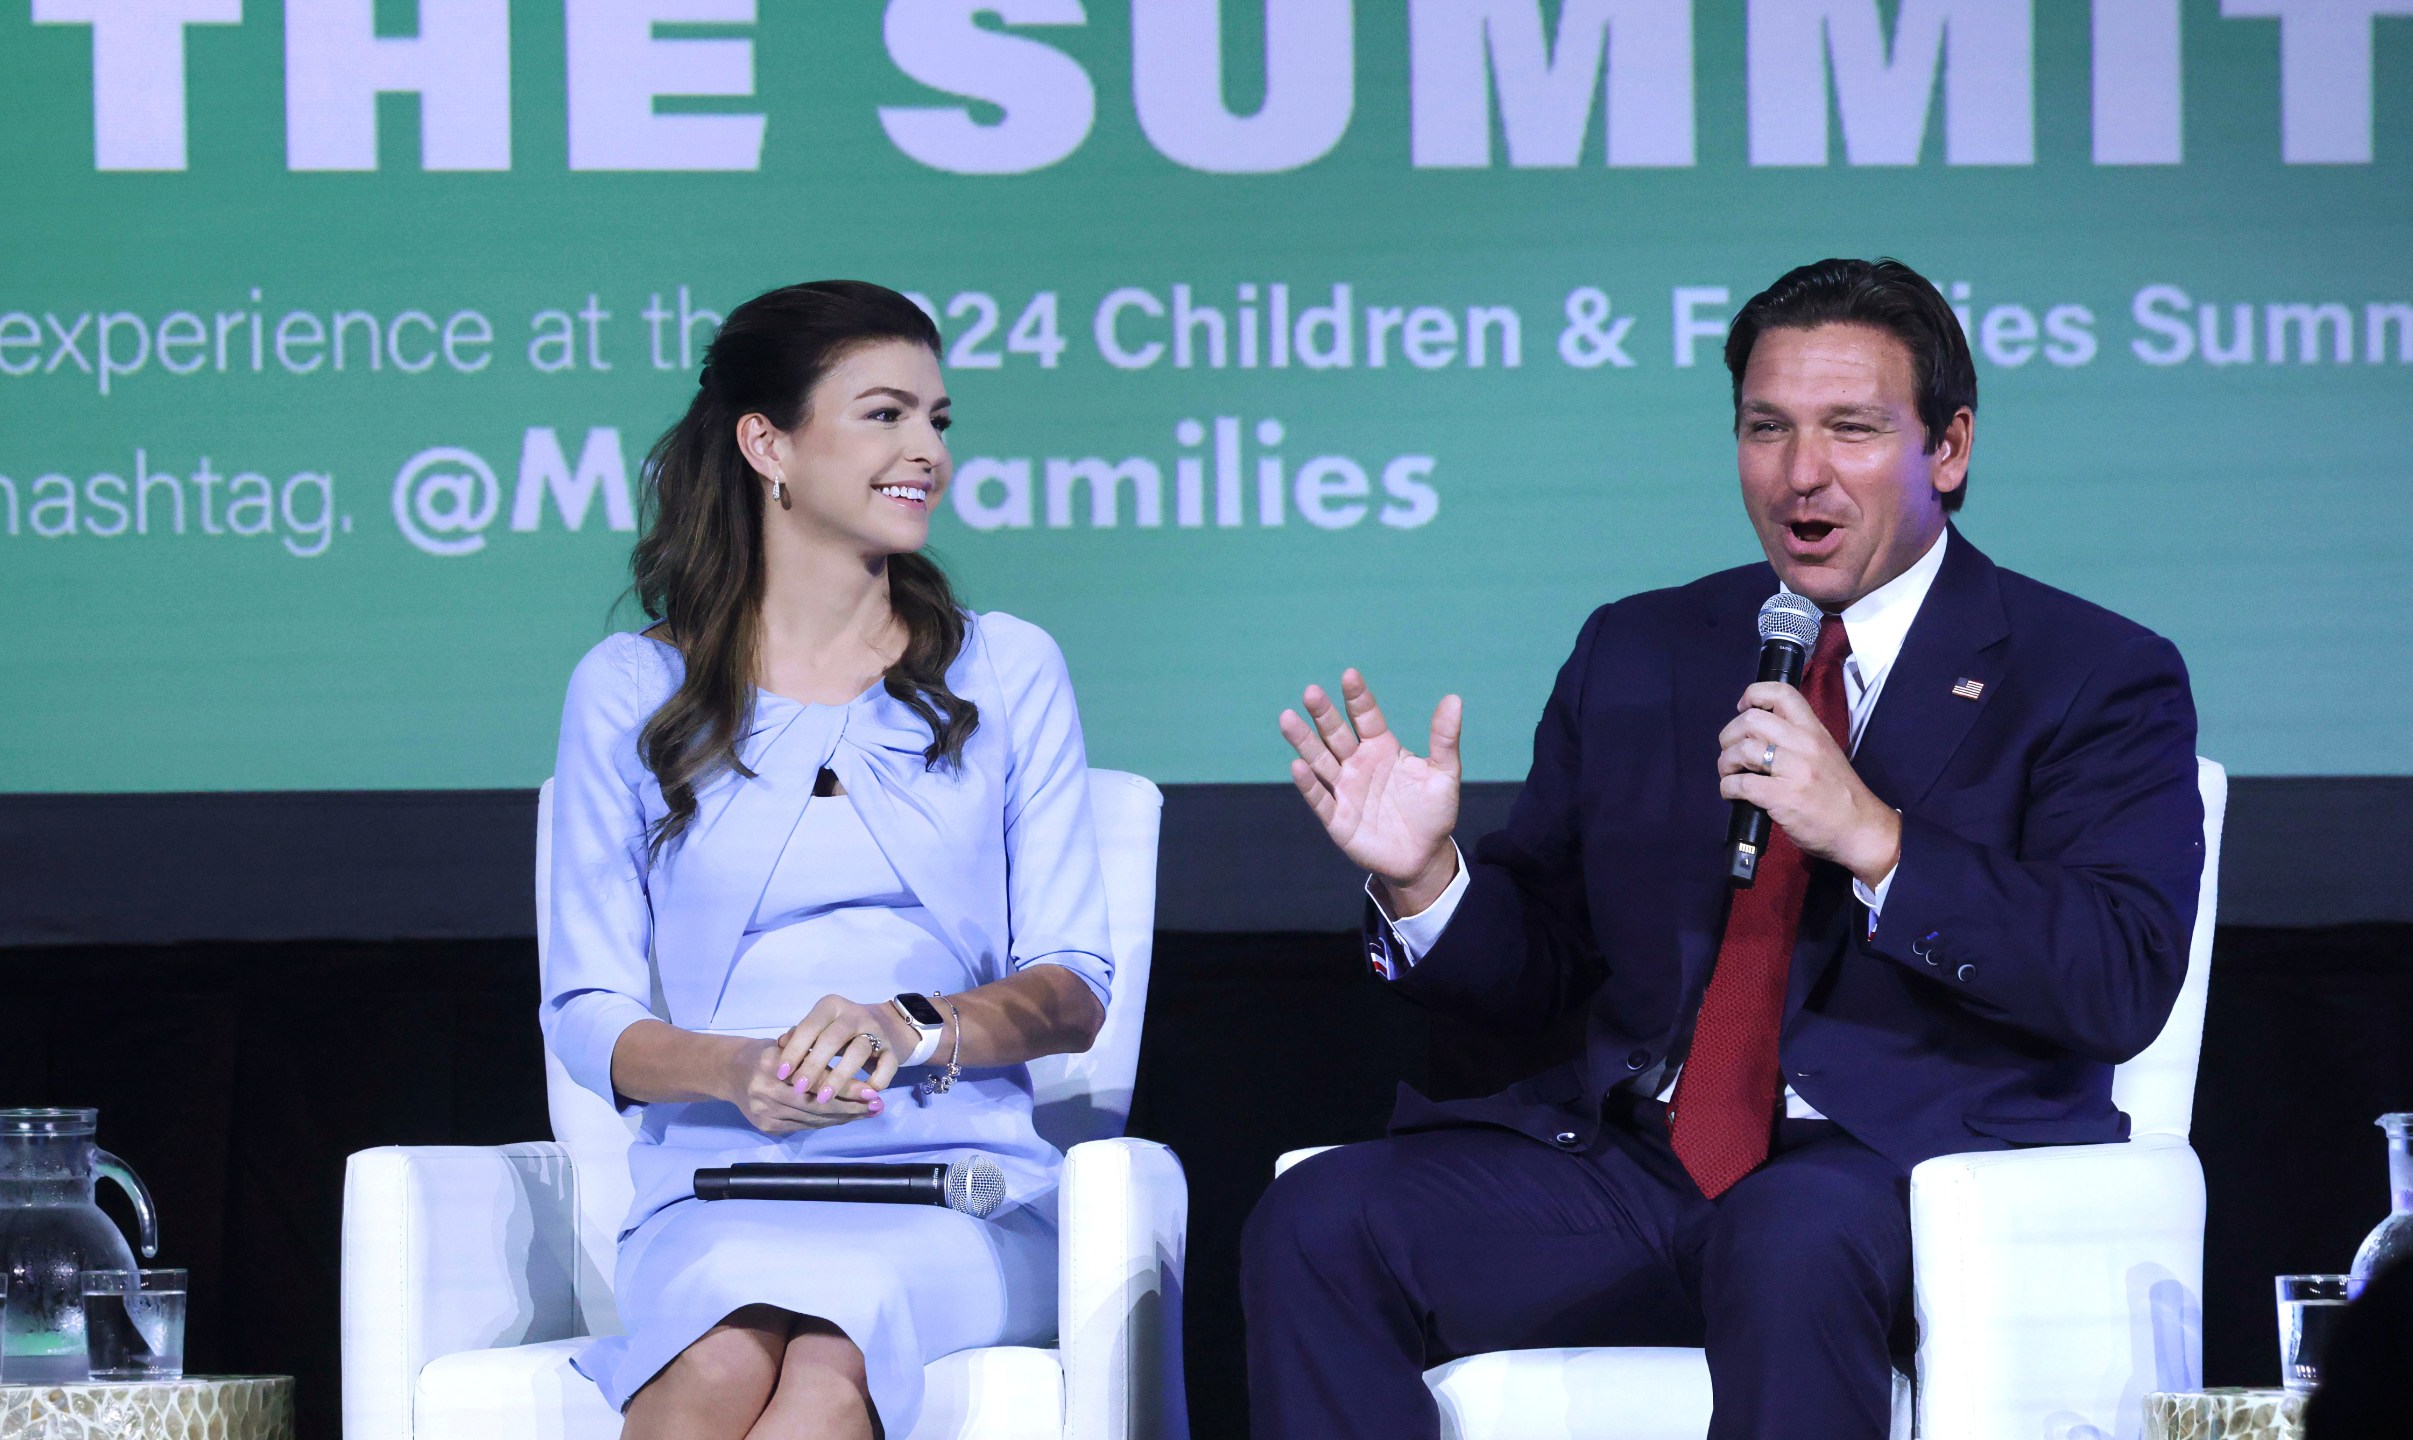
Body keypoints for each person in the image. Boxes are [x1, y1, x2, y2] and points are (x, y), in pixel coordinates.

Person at [1245, 257, 2206, 1440]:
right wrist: (1423, 881)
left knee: (1784, 1233)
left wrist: (1872, 836)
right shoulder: (1641, 650)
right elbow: (1538, 965)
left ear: (1947, 448)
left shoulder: (2089, 673)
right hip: (1640, 1169)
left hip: (1906, 1182)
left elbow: (2118, 977)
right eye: (1767, 429)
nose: (1801, 474)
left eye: (1851, 429)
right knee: (1323, 1219)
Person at [540, 280, 1113, 1440]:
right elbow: (586, 1009)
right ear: (768, 444)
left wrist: (912, 1024)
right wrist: (735, 1070)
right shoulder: (631, 690)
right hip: (718, 1187)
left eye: (938, 421)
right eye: (885, 415)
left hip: (956, 1188)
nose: (926, 453)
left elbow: (1075, 985)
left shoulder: (1005, 670)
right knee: (709, 1370)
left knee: (824, 1373)